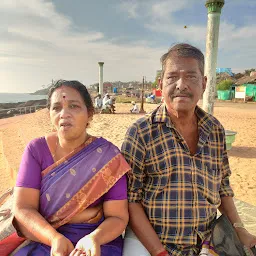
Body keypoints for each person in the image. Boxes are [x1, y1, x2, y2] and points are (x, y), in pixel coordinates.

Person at [121, 43, 256, 256]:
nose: (181, 85)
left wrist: (240, 230)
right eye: (172, 77)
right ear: (161, 84)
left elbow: (223, 186)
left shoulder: (215, 130)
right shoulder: (140, 132)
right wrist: (159, 252)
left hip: (206, 240)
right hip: (150, 240)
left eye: (191, 77)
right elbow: (131, 200)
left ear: (203, 84)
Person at [11, 80, 130, 256]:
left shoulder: (107, 156)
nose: (64, 114)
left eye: (74, 106)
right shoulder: (36, 150)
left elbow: (118, 216)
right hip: (46, 238)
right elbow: (23, 207)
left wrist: (94, 239)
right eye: (56, 108)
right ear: (50, 114)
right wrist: (54, 239)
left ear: (89, 113)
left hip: (97, 241)